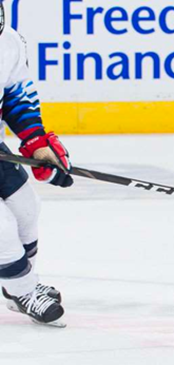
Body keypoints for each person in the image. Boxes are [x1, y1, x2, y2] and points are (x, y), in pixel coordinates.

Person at [0, 1, 73, 326]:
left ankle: (18, 283)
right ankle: (23, 289)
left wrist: (37, 143)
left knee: (27, 209)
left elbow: (16, 96)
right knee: (0, 228)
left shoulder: (10, 43)